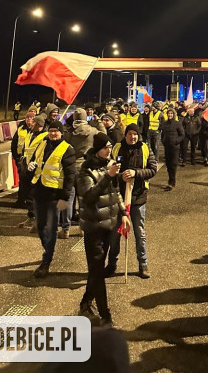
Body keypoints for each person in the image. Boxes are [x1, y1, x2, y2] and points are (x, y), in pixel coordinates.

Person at [77, 132, 131, 325]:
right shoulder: (85, 170)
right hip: (93, 227)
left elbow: (115, 192)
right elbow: (89, 197)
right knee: (98, 271)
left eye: (110, 147)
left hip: (109, 224)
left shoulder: (110, 165)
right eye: (105, 147)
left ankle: (85, 302)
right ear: (97, 149)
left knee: (96, 270)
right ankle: (105, 314)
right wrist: (108, 177)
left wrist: (124, 213)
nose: (109, 150)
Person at [108, 123, 157, 278]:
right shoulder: (116, 148)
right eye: (129, 133)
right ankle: (111, 264)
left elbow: (153, 169)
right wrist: (120, 175)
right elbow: (108, 169)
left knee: (139, 232)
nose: (132, 137)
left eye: (135, 134)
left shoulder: (145, 148)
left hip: (138, 197)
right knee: (115, 233)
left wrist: (136, 173)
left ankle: (143, 264)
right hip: (118, 197)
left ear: (138, 135)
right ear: (125, 134)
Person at [29, 120, 76, 277]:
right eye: (51, 131)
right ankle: (47, 248)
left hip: (55, 195)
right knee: (41, 227)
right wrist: (30, 165)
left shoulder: (67, 149)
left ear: (61, 133)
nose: (53, 133)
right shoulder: (43, 144)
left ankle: (46, 261)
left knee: (51, 229)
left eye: (56, 131)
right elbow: (35, 160)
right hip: (40, 191)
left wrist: (65, 197)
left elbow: (70, 176)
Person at [61, 108, 106, 238]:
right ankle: (83, 228)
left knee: (69, 199)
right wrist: (98, 122)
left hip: (71, 167)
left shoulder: (69, 132)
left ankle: (65, 229)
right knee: (84, 200)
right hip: (86, 168)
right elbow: (104, 136)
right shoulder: (92, 131)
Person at [11, 108, 37, 207]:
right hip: (21, 159)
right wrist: (16, 157)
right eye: (27, 117)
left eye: (31, 118)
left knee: (31, 181)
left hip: (32, 160)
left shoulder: (36, 131)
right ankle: (20, 200)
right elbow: (14, 144)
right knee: (22, 181)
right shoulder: (20, 129)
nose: (29, 120)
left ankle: (30, 201)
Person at [160, 108, 184, 190]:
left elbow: (182, 134)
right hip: (167, 146)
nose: (170, 115)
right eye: (168, 113)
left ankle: (172, 182)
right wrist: (163, 141)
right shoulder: (165, 123)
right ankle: (170, 180)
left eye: (171, 113)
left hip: (175, 147)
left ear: (174, 114)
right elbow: (162, 134)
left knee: (173, 164)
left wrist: (176, 141)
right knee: (168, 164)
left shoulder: (177, 123)